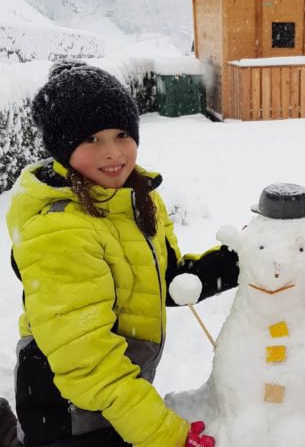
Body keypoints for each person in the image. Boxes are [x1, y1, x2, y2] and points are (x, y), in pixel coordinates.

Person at [3, 60, 239, 447]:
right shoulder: (58, 229)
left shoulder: (135, 199)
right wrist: (164, 434)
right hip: (65, 408)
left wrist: (239, 260)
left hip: (114, 397)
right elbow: (89, 361)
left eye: (121, 134)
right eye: (91, 139)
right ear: (63, 148)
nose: (113, 153)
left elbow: (164, 282)